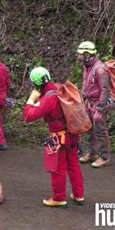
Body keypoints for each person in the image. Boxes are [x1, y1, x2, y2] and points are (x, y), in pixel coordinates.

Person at [23, 67, 85, 207]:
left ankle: (58, 198)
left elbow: (29, 116)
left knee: (58, 168)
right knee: (74, 165)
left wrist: (30, 100)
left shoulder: (49, 99)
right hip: (73, 134)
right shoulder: (59, 89)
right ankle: (78, 194)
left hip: (59, 138)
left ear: (36, 84)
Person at [77, 41, 111, 168]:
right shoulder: (87, 67)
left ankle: (104, 157)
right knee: (90, 129)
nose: (78, 56)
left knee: (100, 130)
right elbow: (86, 83)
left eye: (80, 54)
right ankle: (92, 153)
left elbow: (105, 89)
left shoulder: (100, 69)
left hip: (98, 103)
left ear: (87, 54)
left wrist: (101, 107)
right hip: (89, 102)